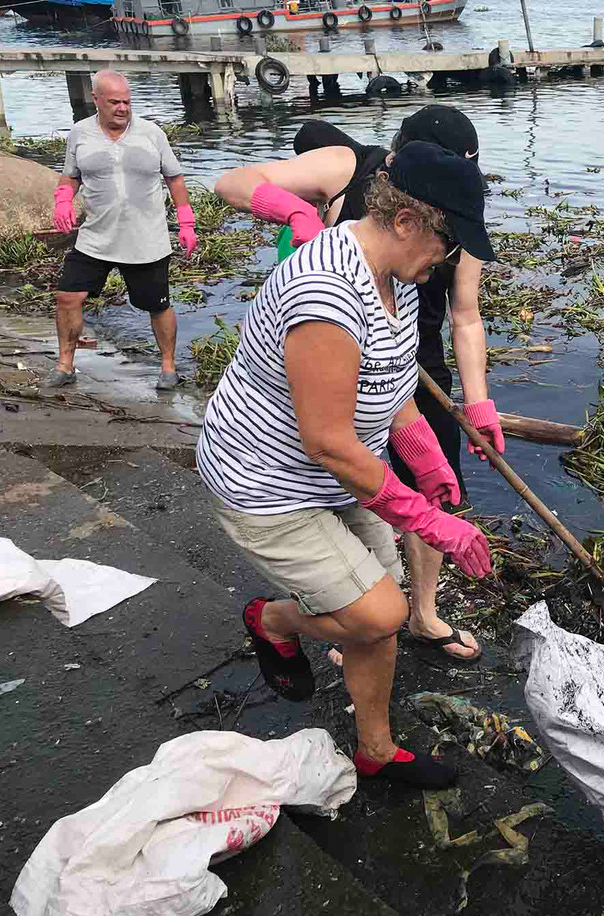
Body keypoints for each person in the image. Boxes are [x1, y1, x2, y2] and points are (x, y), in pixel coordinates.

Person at [197, 142, 496, 787]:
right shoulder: (327, 293)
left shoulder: (398, 280)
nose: (448, 259)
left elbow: (393, 388)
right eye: (446, 241)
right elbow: (328, 442)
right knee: (378, 613)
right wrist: (426, 519)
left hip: (333, 478)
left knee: (376, 613)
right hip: (266, 483)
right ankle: (271, 619)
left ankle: (375, 750)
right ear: (408, 222)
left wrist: (425, 456)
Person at [48, 69, 197, 391]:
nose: (122, 108)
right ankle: (65, 366)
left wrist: (186, 221)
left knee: (157, 305)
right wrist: (63, 200)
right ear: (96, 100)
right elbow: (71, 174)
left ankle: (168, 367)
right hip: (96, 236)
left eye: (127, 102)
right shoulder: (80, 133)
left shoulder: (151, 133)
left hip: (146, 239)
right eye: (114, 102)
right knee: (67, 297)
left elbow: (175, 177)